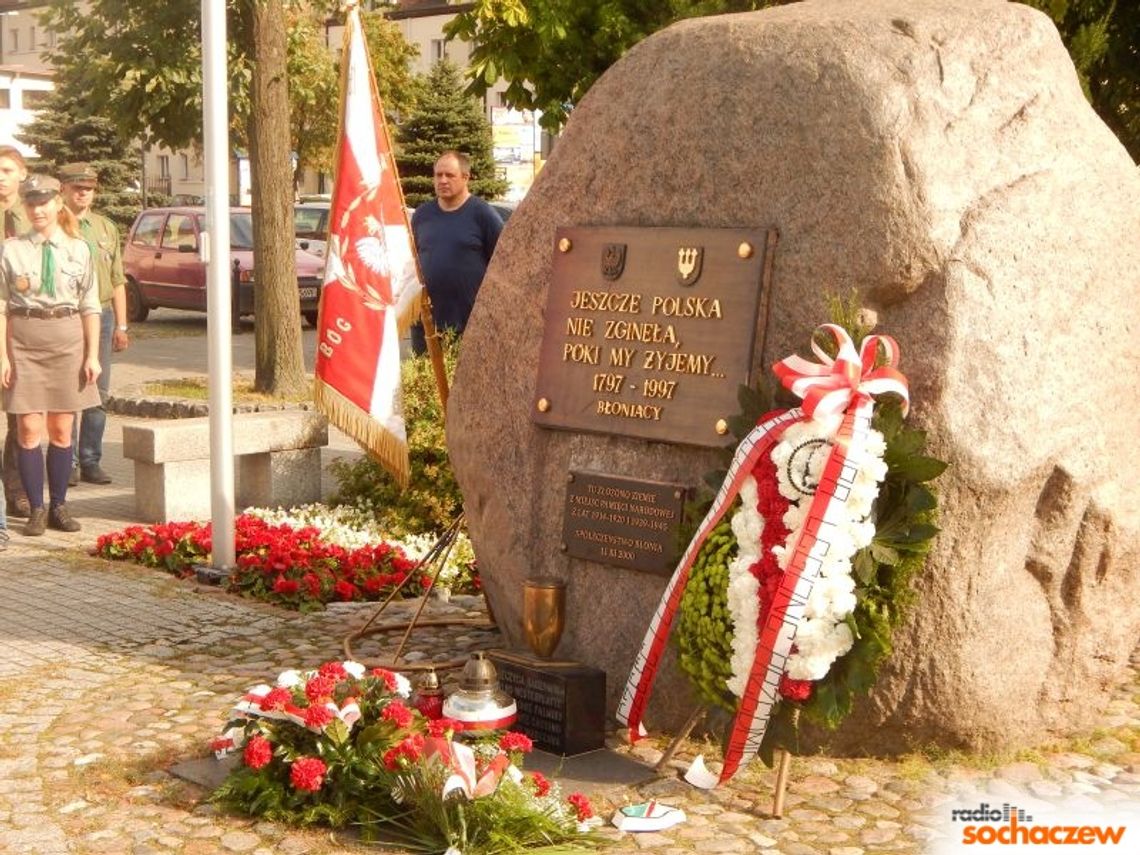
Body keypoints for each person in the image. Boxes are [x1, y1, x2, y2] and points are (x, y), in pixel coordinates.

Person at [0, 174, 101, 535]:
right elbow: (1, 307)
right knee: (28, 429)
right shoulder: (11, 250)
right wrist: (3, 357)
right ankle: (36, 509)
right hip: (24, 342)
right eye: (31, 203)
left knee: (61, 429)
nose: (37, 209)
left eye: (44, 202)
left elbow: (90, 306)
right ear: (24, 208)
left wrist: (93, 356)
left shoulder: (79, 249)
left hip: (67, 340)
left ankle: (59, 505)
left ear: (58, 204)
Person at [60, 163, 129, 485]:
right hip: (66, 317)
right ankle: (67, 462)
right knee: (67, 391)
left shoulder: (105, 227)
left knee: (97, 392)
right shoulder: (55, 227)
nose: (83, 192)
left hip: (102, 316)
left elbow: (117, 279)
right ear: (64, 189)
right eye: (77, 187)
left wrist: (123, 326)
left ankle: (90, 460)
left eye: (88, 187)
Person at [409, 150, 503, 355]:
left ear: (465, 177)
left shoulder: (482, 214)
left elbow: (502, 265)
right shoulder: (422, 215)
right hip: (426, 325)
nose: (442, 180)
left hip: (470, 325)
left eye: (449, 175)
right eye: (438, 175)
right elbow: (413, 261)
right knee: (427, 385)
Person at [0, 145, 31, 519]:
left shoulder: (35, 218)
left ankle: (17, 490)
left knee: (19, 414)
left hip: (22, 329)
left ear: (22, 174)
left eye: (7, 169)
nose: (1, 176)